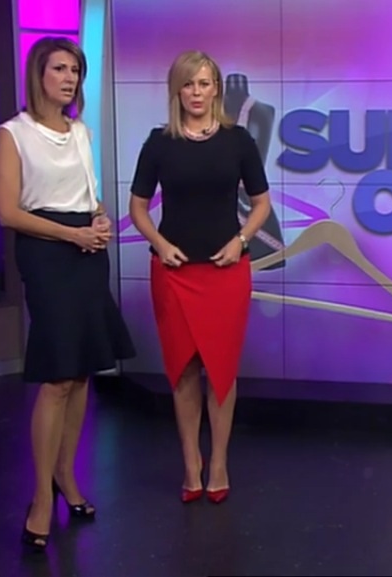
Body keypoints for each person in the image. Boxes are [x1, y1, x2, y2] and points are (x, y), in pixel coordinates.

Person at [0, 36, 136, 551]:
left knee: (79, 374)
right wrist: (71, 235)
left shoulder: (81, 132)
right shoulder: (13, 133)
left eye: (75, 70)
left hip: (86, 253)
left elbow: (89, 196)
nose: (70, 78)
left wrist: (98, 221)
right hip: (47, 253)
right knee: (57, 377)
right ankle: (39, 497)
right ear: (39, 74)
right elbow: (8, 212)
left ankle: (66, 477)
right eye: (60, 68)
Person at [128, 50, 272, 505]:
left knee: (221, 371)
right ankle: (191, 465)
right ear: (177, 90)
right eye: (188, 84)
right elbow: (137, 208)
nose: (196, 92)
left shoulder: (238, 141)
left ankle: (220, 464)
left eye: (204, 83)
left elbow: (262, 203)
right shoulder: (159, 143)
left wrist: (241, 240)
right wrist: (159, 242)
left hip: (226, 272)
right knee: (184, 370)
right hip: (173, 272)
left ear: (216, 89)